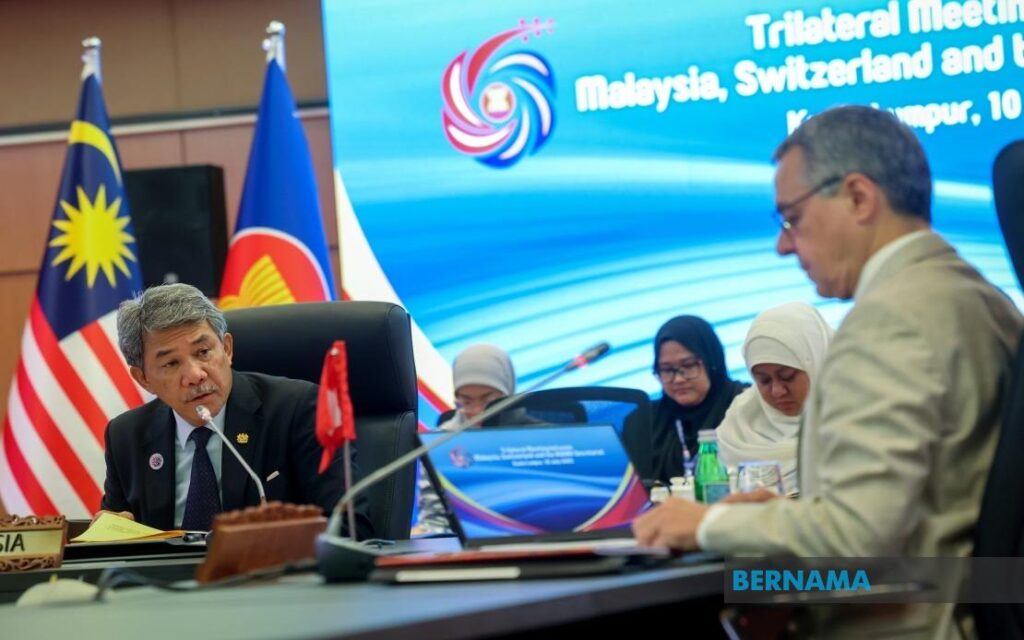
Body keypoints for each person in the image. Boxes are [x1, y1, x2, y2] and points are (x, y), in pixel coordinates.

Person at [633, 105, 1022, 636]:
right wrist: (776, 518)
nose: (783, 244)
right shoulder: (979, 298)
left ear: (858, 197)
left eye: (792, 217)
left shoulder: (890, 321)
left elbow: (858, 540)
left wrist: (710, 523)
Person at [98, 283, 373, 538]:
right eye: (171, 363)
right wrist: (109, 534)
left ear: (227, 349)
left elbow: (349, 526)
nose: (195, 375)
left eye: (203, 352)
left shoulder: (297, 410)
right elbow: (116, 538)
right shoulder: (126, 435)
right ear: (144, 378)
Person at [715, 301, 833, 493]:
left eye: (787, 376)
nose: (777, 391)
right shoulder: (741, 422)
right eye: (764, 380)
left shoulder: (851, 416)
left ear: (816, 363)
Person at [414, 344, 516, 535]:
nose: (477, 412)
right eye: (466, 402)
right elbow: (435, 520)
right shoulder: (441, 441)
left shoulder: (536, 435)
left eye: (488, 401)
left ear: (507, 394)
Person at [650, 315, 747, 482]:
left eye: (688, 366)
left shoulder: (744, 404)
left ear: (712, 362)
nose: (678, 379)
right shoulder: (649, 419)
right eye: (667, 369)